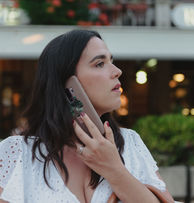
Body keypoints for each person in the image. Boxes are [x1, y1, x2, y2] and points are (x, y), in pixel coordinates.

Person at [0, 29, 175, 203]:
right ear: (68, 84)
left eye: (111, 61)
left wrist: (115, 170)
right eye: (100, 63)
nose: (117, 71)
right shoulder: (17, 153)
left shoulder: (130, 143)